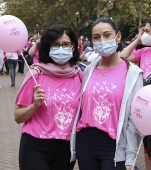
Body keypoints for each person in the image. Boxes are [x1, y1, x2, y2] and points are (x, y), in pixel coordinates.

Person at [70, 17, 143, 170]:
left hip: (115, 147)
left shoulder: (133, 74)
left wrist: (130, 157)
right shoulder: (89, 70)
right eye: (96, 37)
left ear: (118, 36)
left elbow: (134, 120)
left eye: (107, 35)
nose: (102, 40)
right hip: (86, 144)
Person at [14, 25, 82, 170]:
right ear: (48, 48)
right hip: (35, 147)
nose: (60, 48)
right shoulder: (36, 74)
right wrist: (34, 106)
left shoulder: (79, 75)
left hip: (66, 148)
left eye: (65, 44)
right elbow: (18, 117)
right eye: (55, 45)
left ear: (73, 47)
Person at [120, 18, 151, 170]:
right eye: (143, 30)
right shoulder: (144, 52)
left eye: (147, 31)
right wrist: (137, 40)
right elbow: (122, 57)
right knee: (149, 147)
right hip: (145, 107)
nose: (143, 33)